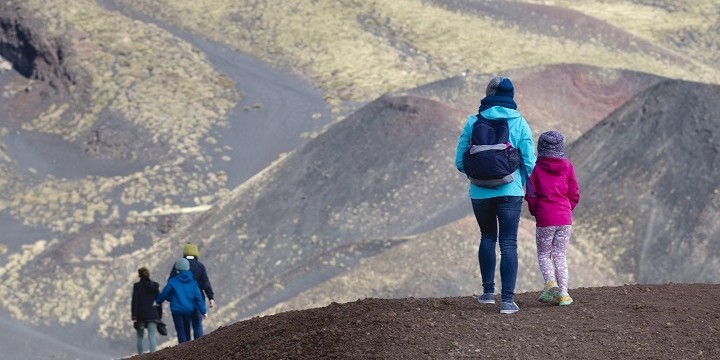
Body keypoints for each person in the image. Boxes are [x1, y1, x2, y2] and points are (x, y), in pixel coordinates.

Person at [455, 76, 536, 314]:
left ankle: (488, 293)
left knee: (487, 237)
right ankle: (508, 301)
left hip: (480, 191)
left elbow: (459, 161)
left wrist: (478, 174)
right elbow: (529, 161)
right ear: (511, 96)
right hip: (510, 191)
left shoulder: (473, 121)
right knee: (509, 242)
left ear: (488, 94)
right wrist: (519, 181)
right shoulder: (519, 122)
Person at [524, 130, 580, 306]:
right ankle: (563, 294)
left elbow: (531, 195)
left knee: (543, 254)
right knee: (560, 255)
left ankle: (550, 283)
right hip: (565, 218)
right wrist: (565, 210)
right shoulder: (568, 166)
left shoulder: (535, 168)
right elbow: (574, 193)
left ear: (540, 147)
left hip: (545, 219)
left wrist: (536, 211)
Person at [168, 242, 215, 340]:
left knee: (185, 327)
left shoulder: (178, 265)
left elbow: (171, 282)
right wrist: (211, 298)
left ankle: (185, 351)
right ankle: (200, 349)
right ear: (195, 253)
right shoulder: (200, 266)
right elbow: (206, 283)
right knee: (197, 325)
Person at [157, 258, 208, 344]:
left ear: (177, 270)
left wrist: (158, 301)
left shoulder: (172, 282)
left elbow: (164, 293)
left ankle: (183, 350)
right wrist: (204, 311)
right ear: (188, 268)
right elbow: (199, 298)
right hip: (189, 310)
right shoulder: (193, 283)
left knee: (181, 332)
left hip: (177, 311)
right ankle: (190, 350)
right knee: (188, 327)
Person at [131, 267, 160, 354]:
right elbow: (159, 301)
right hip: (153, 314)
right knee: (152, 336)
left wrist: (134, 316)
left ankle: (140, 356)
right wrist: (159, 315)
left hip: (141, 315)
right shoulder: (155, 286)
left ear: (139, 275)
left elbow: (135, 301)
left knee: (140, 337)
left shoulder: (137, 286)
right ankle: (153, 355)